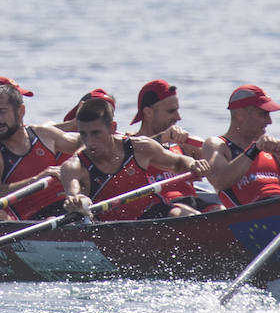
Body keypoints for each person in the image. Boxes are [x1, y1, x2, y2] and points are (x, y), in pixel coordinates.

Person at [60, 92, 210, 221]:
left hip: (154, 213)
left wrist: (193, 164)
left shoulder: (139, 147)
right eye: (83, 134)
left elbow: (179, 162)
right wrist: (76, 201)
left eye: (96, 133)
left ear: (113, 128)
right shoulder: (74, 166)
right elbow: (73, 193)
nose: (89, 142)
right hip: (111, 229)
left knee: (188, 216)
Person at [0, 78, 80, 220]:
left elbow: (83, 143)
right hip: (30, 222)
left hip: (68, 211)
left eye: (2, 112)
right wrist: (37, 179)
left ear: (21, 111)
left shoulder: (43, 133)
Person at [200, 85, 280, 208]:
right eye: (263, 114)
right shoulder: (216, 145)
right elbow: (219, 181)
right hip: (247, 219)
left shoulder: (274, 147)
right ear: (240, 115)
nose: (269, 121)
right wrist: (254, 150)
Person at [130, 79, 210, 216]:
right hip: (161, 211)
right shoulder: (131, 144)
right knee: (191, 216)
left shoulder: (181, 145)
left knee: (220, 210)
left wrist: (199, 148)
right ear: (148, 112)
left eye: (177, 110)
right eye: (171, 111)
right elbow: (134, 150)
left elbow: (217, 163)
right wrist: (161, 138)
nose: (178, 117)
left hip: (191, 203)